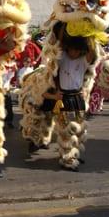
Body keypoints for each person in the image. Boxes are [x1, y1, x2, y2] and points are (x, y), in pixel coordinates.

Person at [39, 37, 95, 170]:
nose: (74, 52)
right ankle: (67, 158)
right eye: (72, 49)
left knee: (79, 129)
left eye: (77, 50)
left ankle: (74, 153)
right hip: (62, 98)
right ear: (68, 48)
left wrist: (91, 35)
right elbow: (54, 50)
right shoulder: (62, 58)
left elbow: (91, 53)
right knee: (64, 131)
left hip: (78, 98)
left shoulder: (83, 60)